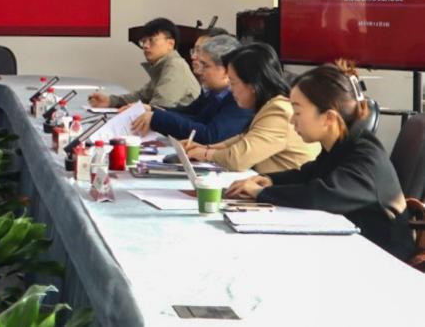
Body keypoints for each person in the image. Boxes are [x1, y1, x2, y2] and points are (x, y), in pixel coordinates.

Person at [227, 62, 415, 261]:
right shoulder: (343, 144)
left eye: (298, 112)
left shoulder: (365, 158)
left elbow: (321, 195)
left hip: (382, 260)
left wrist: (261, 193)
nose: (292, 120)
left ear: (328, 118)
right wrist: (270, 180)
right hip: (350, 250)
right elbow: (309, 173)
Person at [185, 43, 320, 173]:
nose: (230, 89)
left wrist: (205, 154)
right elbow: (243, 140)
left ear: (253, 85)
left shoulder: (279, 111)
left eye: (233, 82)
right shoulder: (269, 106)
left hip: (285, 187)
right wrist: (205, 148)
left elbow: (238, 159)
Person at [130, 35, 253, 144]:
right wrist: (153, 110)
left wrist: (157, 118)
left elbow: (210, 136)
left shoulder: (241, 99)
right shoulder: (212, 92)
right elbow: (190, 114)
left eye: (205, 65)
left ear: (227, 70)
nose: (199, 71)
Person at [89, 17, 200, 108]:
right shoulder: (163, 66)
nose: (146, 46)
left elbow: (160, 107)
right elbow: (142, 96)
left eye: (152, 40)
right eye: (144, 41)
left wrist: (134, 110)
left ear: (170, 44)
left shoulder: (175, 66)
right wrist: (110, 101)